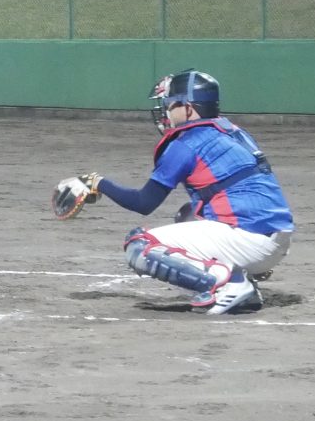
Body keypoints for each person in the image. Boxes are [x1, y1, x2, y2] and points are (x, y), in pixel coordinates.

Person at [54, 70, 295, 317]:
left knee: (140, 245)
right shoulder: (232, 132)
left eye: (171, 105)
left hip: (249, 241)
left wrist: (97, 183)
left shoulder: (186, 144)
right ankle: (245, 283)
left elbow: (144, 202)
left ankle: (227, 283)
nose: (166, 112)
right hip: (275, 239)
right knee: (187, 215)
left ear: (188, 108)